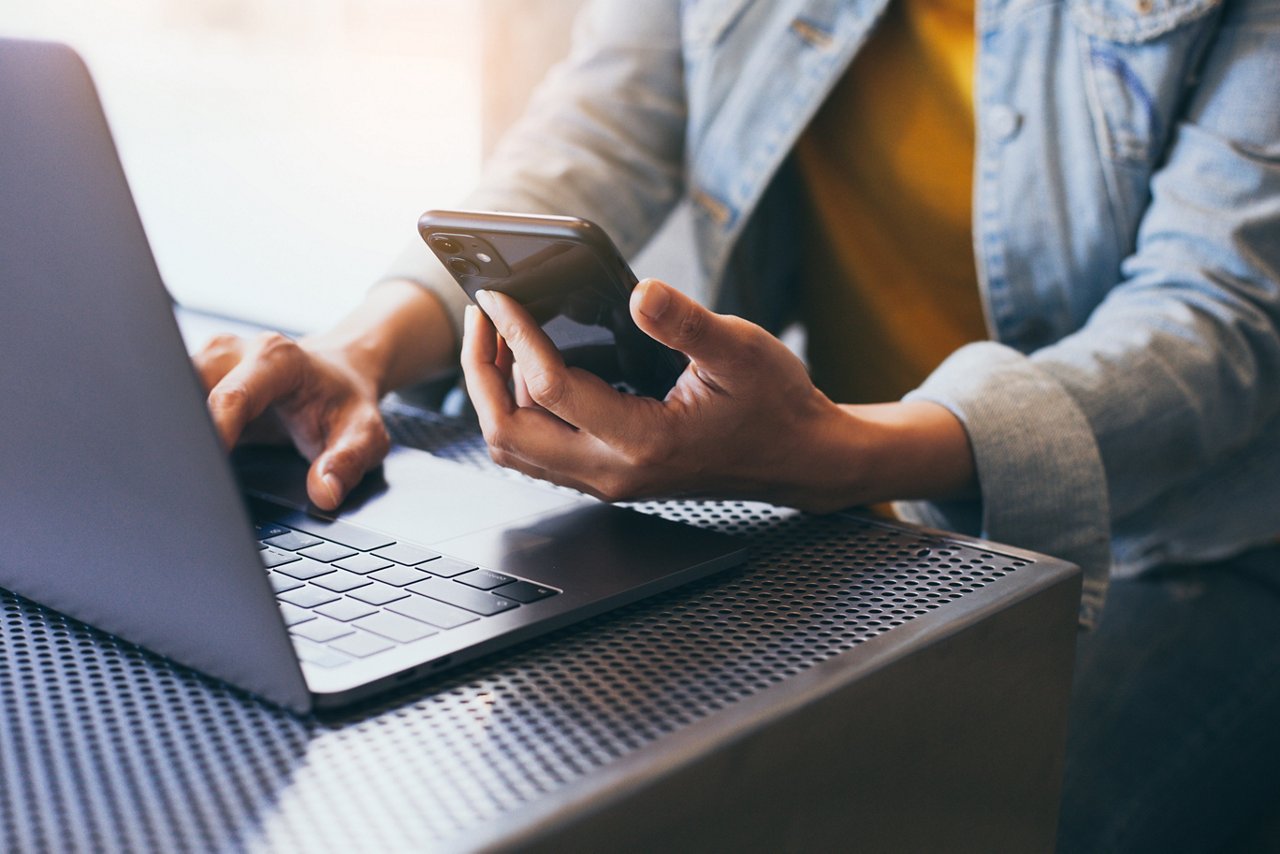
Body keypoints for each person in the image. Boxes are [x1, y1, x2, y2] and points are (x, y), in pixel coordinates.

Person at [195, 0, 1280, 848]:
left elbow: (1217, 314)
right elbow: (605, 122)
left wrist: (828, 450)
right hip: (858, 507)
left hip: (1190, 540)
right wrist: (365, 347)